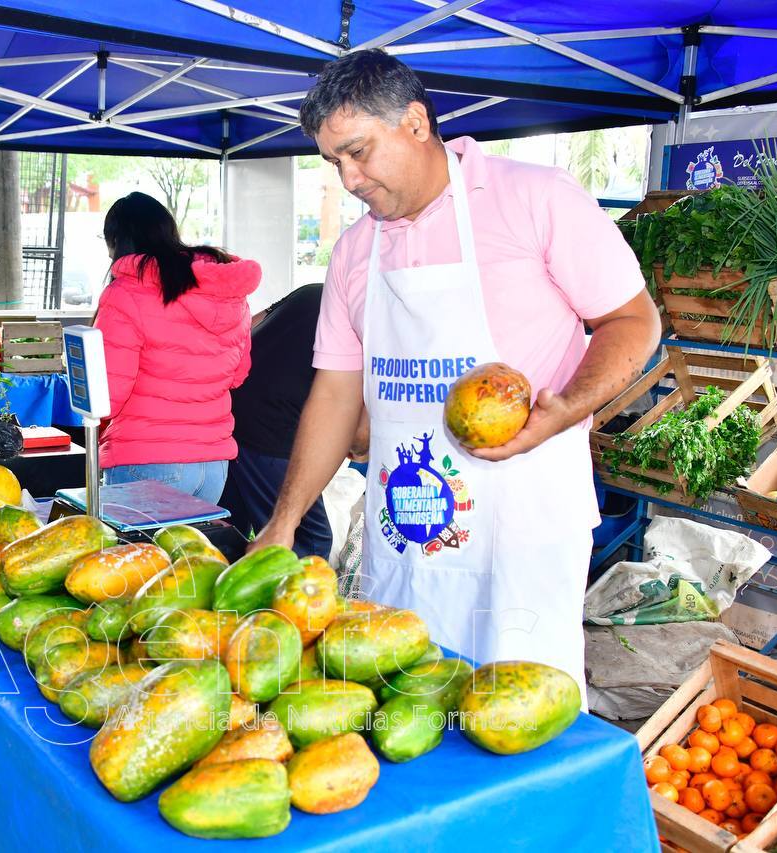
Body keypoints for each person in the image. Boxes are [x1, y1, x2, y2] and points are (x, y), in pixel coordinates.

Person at [251, 51, 660, 692]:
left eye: (358, 152)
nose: (349, 179)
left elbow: (634, 321)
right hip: (408, 528)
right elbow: (334, 394)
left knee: (517, 714)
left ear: (415, 122)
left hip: (521, 529)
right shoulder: (356, 250)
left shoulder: (535, 199)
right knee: (404, 705)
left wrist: (569, 407)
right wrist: (283, 522)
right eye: (333, 162)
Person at [93, 192, 259, 504]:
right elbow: (238, 374)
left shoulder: (126, 292)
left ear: (116, 240)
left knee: (136, 555)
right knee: (187, 554)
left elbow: (105, 396)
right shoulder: (224, 291)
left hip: (145, 459)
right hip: (212, 465)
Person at [219, 284, 334, 559]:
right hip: (271, 429)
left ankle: (225, 594)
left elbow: (251, 324)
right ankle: (288, 601)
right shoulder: (360, 312)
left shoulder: (312, 291)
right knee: (311, 541)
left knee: (228, 532)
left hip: (229, 413)